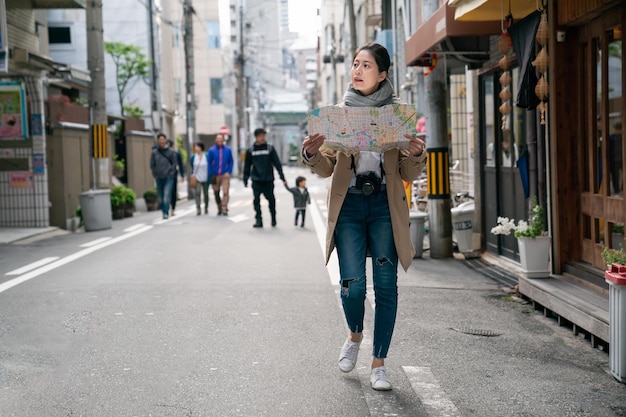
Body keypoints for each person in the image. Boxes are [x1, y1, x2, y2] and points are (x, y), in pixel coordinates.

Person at [301, 43, 427, 391]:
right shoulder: (338, 114)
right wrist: (311, 154)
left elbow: (407, 169)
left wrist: (417, 154)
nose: (357, 70)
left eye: (366, 65)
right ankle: (355, 335)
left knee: (386, 287)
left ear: (383, 73)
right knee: (353, 284)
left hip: (385, 206)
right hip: (350, 205)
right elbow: (326, 167)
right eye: (355, 63)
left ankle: (379, 363)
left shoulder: (398, 115)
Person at [243, 128, 287, 228]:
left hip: (268, 180)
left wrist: (282, 177)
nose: (262, 138)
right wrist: (245, 178)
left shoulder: (269, 149)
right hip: (256, 180)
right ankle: (259, 220)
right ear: (256, 137)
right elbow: (247, 166)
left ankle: (273, 218)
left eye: (263, 136)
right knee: (256, 201)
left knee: (271, 200)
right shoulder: (251, 150)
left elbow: (277, 164)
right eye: (260, 136)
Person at [150, 133, 177, 219]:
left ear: (165, 140)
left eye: (163, 139)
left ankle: (165, 212)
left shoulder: (171, 152)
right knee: (160, 197)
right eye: (160, 140)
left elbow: (174, 164)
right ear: (157, 141)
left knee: (166, 195)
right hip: (159, 177)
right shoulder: (154, 153)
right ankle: (163, 210)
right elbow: (152, 164)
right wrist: (155, 174)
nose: (161, 141)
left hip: (168, 177)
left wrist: (171, 173)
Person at [208, 133, 234, 215]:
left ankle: (224, 208)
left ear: (223, 140)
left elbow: (231, 161)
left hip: (224, 174)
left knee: (226, 191)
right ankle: (219, 206)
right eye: (218, 139)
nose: (219, 141)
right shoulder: (211, 150)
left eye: (221, 139)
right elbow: (209, 162)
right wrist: (211, 172)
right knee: (216, 192)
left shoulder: (228, 150)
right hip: (215, 174)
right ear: (216, 140)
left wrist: (228, 171)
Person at [190, 142, 210, 215]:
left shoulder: (206, 155)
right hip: (197, 177)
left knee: (206, 194)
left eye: (197, 147)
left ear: (201, 148)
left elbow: (209, 165)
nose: (196, 148)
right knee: (197, 193)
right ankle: (198, 208)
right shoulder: (193, 157)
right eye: (195, 147)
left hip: (205, 177)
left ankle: (206, 207)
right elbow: (192, 166)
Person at [167, 139, 185, 216]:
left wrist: (182, 175)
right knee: (168, 193)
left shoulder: (176, 154)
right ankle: (168, 209)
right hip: (165, 175)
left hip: (173, 175)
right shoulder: (162, 153)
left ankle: (172, 209)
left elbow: (180, 165)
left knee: (173, 192)